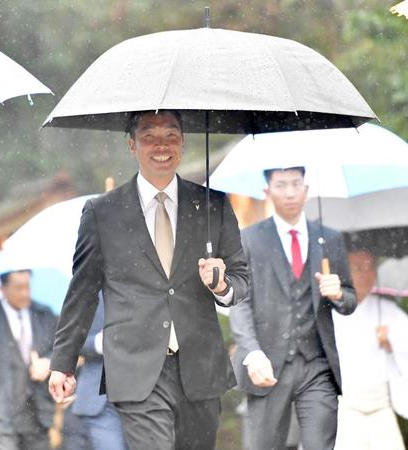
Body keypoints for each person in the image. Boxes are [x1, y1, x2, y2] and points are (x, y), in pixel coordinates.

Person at [48, 110, 248, 450]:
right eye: (149, 136)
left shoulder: (212, 205)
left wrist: (222, 286)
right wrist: (62, 364)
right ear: (132, 145)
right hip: (136, 368)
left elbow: (241, 279)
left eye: (171, 135)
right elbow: (82, 292)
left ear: (183, 144)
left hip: (200, 368)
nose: (161, 145)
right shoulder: (102, 213)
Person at [229, 166, 357, 450]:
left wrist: (337, 293)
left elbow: (350, 300)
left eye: (296, 184)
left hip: (317, 365)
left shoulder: (329, 239)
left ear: (306, 190)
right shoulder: (248, 240)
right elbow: (240, 302)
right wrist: (251, 351)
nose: (289, 192)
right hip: (267, 365)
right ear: (267, 192)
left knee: (319, 445)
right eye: (281, 185)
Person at [333, 249, 408, 450]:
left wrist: (393, 343)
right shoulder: (329, 312)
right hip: (343, 408)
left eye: (370, 268)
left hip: (381, 407)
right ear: (344, 273)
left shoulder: (389, 311)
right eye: (358, 268)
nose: (366, 274)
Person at [0, 269, 57, 450]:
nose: (24, 293)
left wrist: (48, 364)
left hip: (38, 413)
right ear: (3, 289)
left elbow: (61, 350)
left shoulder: (44, 314)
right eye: (18, 288)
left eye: (27, 287)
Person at [71, 293, 129, 450]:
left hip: (147, 395)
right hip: (102, 399)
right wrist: (100, 342)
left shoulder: (152, 290)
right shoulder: (90, 294)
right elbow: (71, 339)